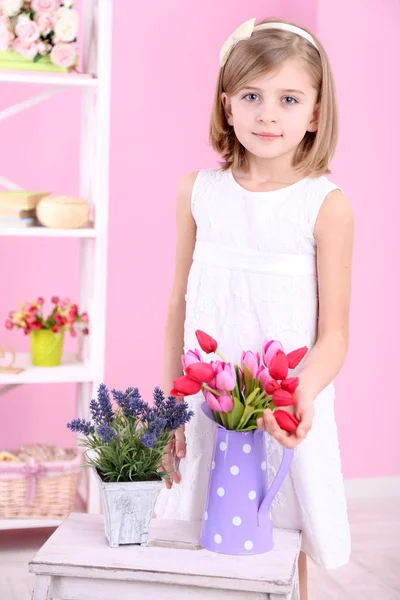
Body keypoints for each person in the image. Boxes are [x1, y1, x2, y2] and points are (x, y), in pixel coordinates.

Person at [154, 17, 353, 600]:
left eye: (288, 99)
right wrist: (171, 407)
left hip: (283, 408)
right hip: (205, 401)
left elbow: (335, 335)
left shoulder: (325, 206)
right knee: (195, 536)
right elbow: (177, 304)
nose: (269, 114)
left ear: (314, 112)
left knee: (282, 536)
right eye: (252, 96)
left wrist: (300, 395)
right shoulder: (198, 191)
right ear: (227, 105)